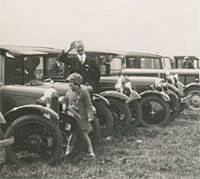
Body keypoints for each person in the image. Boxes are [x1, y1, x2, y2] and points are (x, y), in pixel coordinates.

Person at [65, 72, 95, 158]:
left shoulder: (83, 92)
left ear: (76, 83)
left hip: (81, 117)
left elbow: (89, 105)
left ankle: (90, 151)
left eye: (71, 83)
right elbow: (66, 103)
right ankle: (68, 150)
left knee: (84, 134)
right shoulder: (68, 93)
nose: (69, 85)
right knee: (71, 134)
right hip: (72, 117)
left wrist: (90, 116)